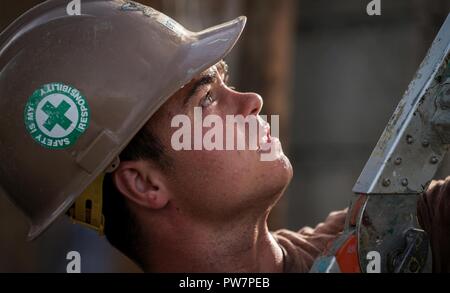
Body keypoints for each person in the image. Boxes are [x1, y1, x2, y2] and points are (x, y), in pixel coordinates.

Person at [0, 0, 446, 273]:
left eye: (225, 82)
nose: (252, 100)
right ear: (145, 184)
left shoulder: (408, 232)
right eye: (206, 100)